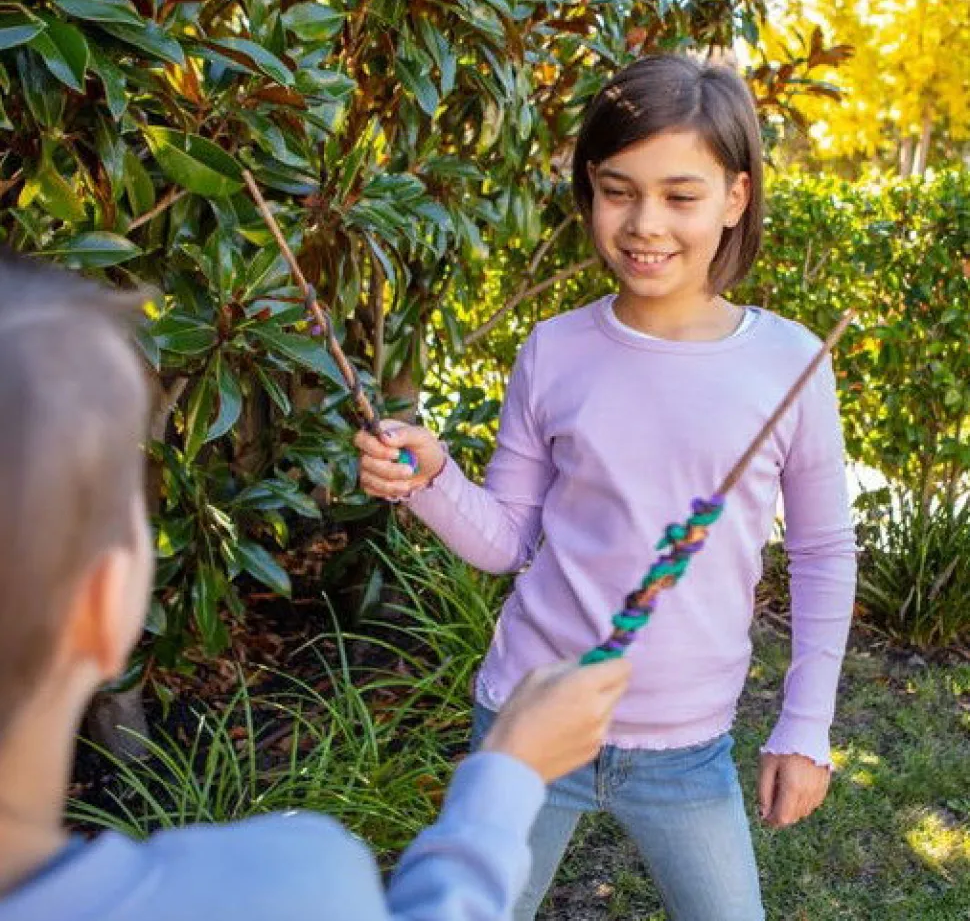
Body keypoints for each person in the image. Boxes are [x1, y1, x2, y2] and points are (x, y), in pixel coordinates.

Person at [355, 54, 857, 921]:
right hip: (528, 722)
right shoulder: (554, 350)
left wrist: (805, 726)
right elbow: (509, 540)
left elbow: (821, 552)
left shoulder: (789, 364)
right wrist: (430, 481)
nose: (644, 222)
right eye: (618, 190)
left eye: (680, 194)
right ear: (590, 189)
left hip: (686, 749)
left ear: (736, 197)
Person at [0, 250, 632, 921]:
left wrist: (437, 481)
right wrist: (509, 771)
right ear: (103, 605)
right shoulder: (291, 885)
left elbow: (507, 542)